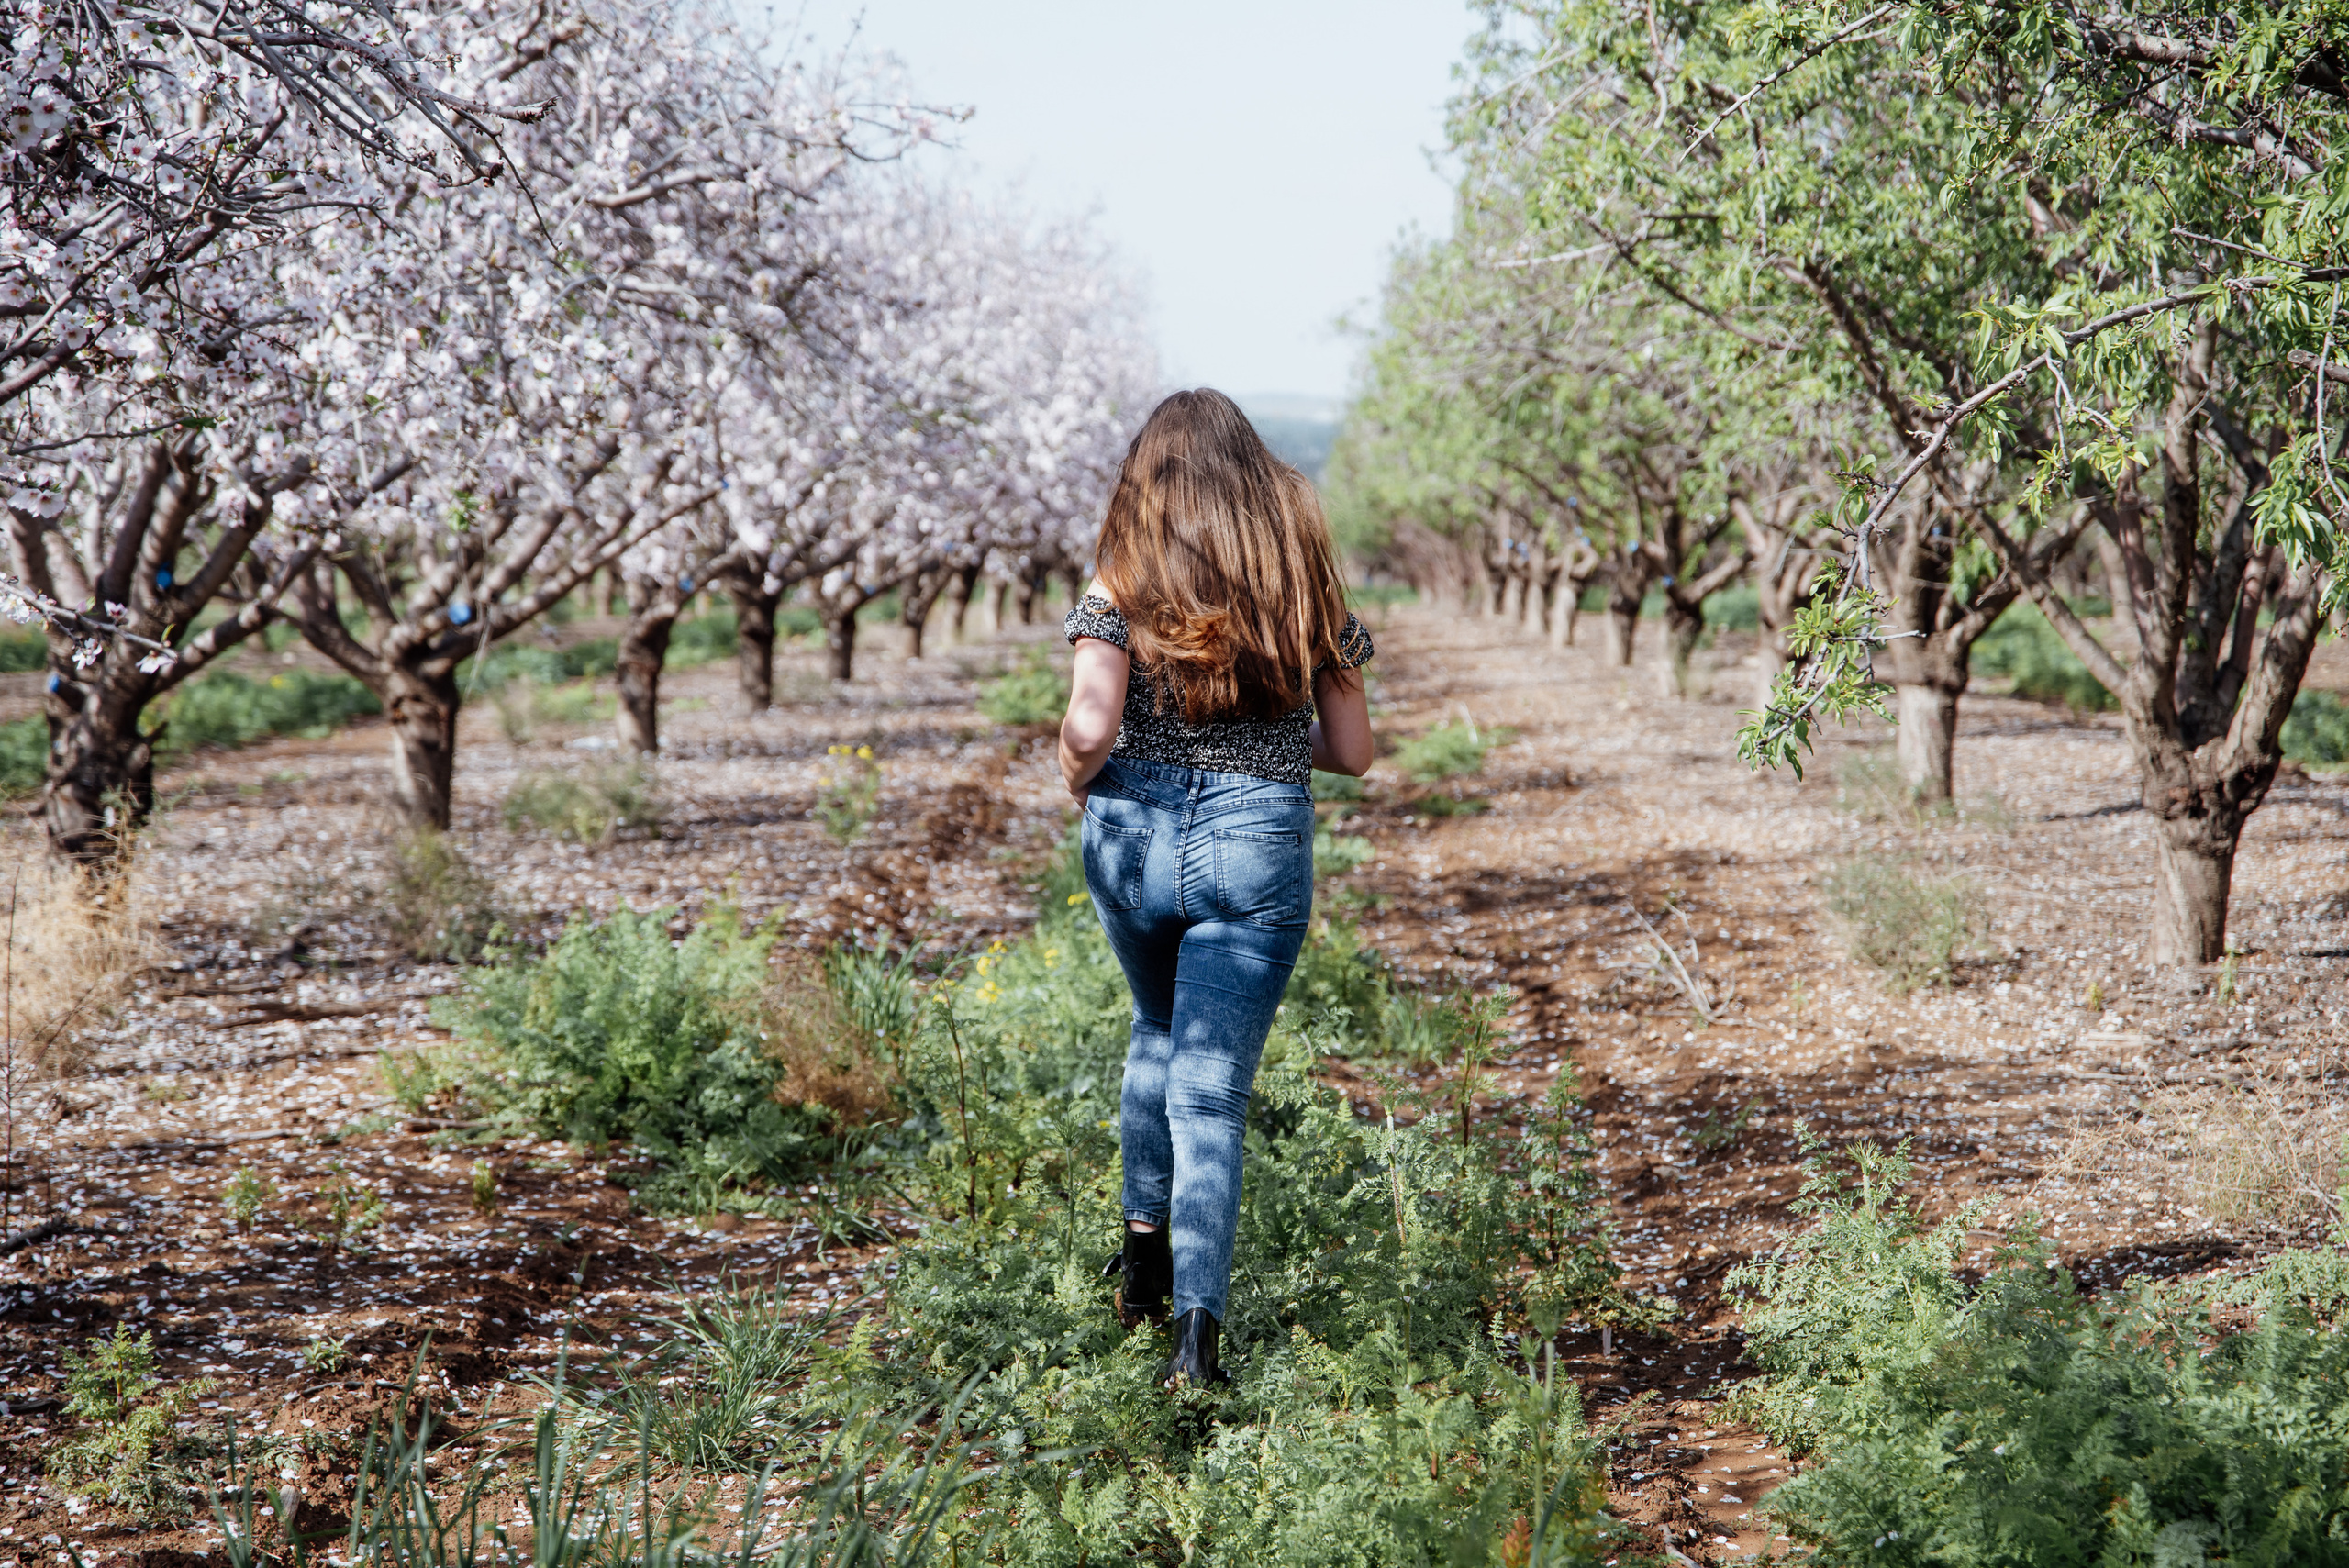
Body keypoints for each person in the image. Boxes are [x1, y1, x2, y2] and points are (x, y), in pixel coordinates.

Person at [1056, 388, 1375, 1389]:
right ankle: (1196, 1340)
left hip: (1134, 837)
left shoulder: (1122, 568)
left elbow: (1088, 724)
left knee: (1155, 1032)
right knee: (1213, 1095)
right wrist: (1268, 746)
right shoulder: (1299, 569)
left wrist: (1078, 780)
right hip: (1255, 840)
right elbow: (1356, 750)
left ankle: (1140, 1261)